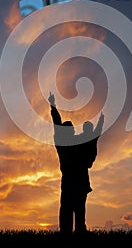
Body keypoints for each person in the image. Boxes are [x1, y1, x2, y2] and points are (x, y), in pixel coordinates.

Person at [48, 92, 104, 235]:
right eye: (72, 129)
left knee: (72, 212)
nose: (74, 130)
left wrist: (53, 106)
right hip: (76, 182)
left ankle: (70, 234)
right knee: (77, 212)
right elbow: (57, 123)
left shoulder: (67, 143)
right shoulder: (69, 143)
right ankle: (74, 234)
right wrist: (53, 107)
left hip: (72, 182)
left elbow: (93, 136)